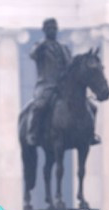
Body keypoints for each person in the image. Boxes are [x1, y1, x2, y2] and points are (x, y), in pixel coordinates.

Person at [26, 18, 98, 146]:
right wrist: (43, 43)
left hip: (63, 86)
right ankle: (33, 133)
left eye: (54, 28)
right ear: (44, 30)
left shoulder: (63, 48)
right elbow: (32, 54)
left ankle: (90, 135)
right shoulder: (41, 47)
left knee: (92, 106)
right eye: (49, 29)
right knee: (39, 106)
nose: (52, 31)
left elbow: (70, 66)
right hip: (47, 85)